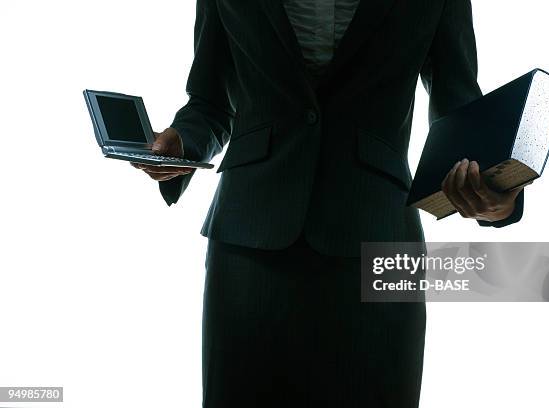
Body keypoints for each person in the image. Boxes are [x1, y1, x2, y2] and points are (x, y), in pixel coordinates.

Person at [131, 0, 526, 406]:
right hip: (250, 237)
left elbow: (458, 104)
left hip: (378, 241)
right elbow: (209, 101)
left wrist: (497, 195)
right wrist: (183, 140)